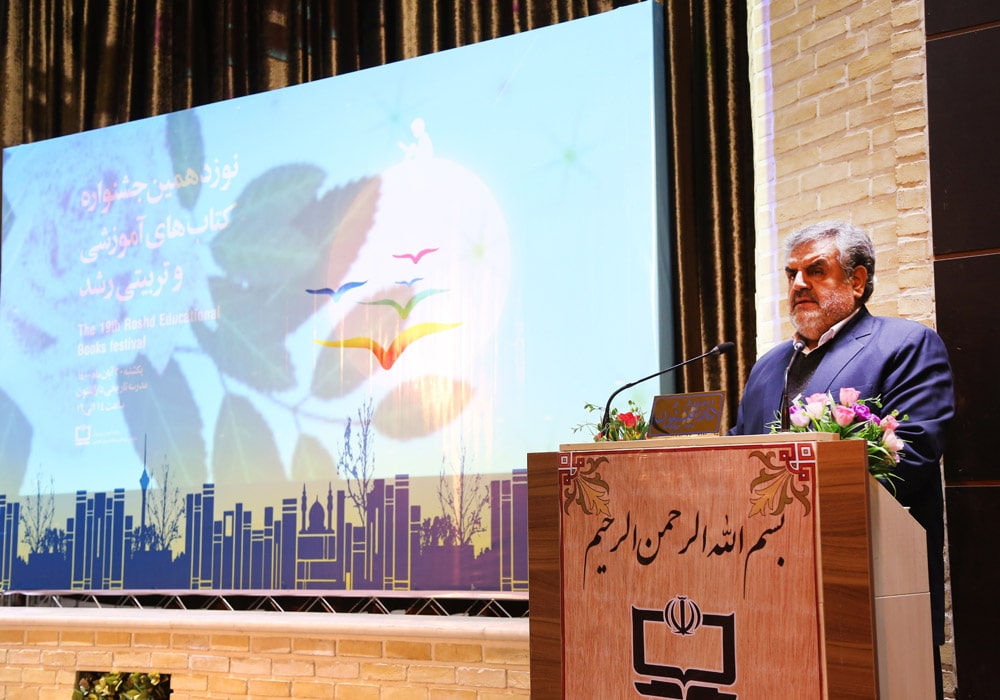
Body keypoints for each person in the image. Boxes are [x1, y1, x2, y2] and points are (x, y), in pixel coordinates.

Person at [730, 220, 954, 699]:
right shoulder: (768, 366)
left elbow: (912, 453)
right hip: (768, 585)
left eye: (815, 271)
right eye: (791, 274)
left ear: (857, 280)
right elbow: (738, 452)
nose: (798, 284)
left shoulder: (905, 345)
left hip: (869, 580)